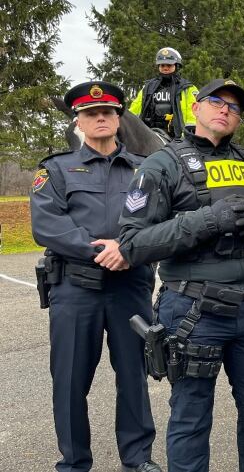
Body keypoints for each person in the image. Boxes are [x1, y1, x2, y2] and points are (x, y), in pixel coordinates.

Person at [118, 79, 244, 472]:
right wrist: (205, 221)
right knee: (190, 418)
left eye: (234, 108)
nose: (225, 110)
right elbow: (133, 244)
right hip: (192, 311)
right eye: (216, 101)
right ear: (196, 107)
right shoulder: (162, 164)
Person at [30, 82, 160, 472]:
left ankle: (137, 459)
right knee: (69, 381)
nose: (100, 118)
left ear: (119, 118)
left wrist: (130, 251)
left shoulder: (146, 169)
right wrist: (101, 251)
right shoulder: (56, 169)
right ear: (79, 122)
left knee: (134, 377)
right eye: (91, 113)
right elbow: (48, 225)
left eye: (107, 112)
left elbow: (161, 220)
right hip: (74, 289)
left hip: (130, 287)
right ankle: (73, 462)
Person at [129, 47, 198, 138]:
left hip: (179, 138)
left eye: (169, 65)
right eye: (162, 65)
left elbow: (195, 114)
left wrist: (188, 135)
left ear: (176, 66)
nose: (165, 68)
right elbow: (134, 111)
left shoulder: (187, 88)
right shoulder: (148, 87)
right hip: (149, 135)